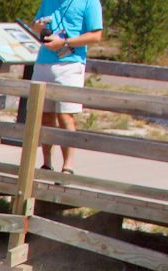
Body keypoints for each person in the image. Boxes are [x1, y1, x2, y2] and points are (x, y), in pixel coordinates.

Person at [31, 0, 104, 173]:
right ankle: (47, 163)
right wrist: (40, 28)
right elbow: (35, 25)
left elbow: (96, 35)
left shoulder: (90, 2)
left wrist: (64, 42)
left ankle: (68, 166)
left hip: (70, 64)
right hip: (44, 62)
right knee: (44, 116)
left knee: (65, 115)